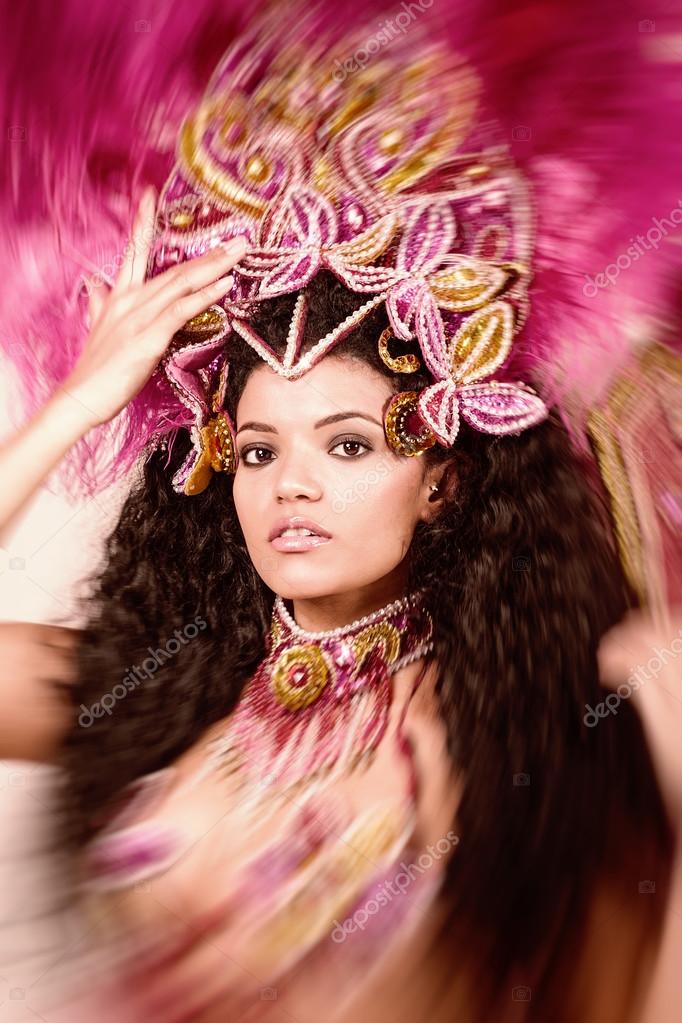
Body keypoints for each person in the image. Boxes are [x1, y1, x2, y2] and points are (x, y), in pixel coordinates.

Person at [0, 5, 680, 1021]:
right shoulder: (152, 685)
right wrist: (75, 408)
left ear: (443, 479)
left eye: (350, 445)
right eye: (260, 449)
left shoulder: (526, 750)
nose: (292, 485)